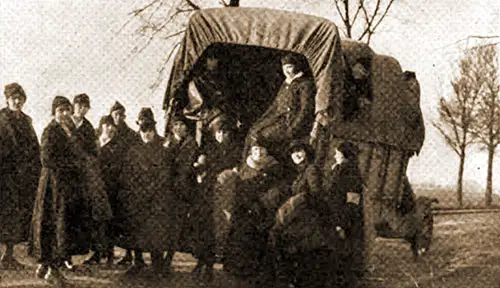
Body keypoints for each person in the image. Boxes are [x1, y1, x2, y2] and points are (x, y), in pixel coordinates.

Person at [270, 140, 364, 288]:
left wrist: (340, 224)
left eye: (300, 151)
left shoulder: (316, 170)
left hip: (314, 216)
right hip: (306, 215)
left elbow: (318, 195)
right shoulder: (306, 171)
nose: (296, 154)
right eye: (293, 152)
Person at [31, 96, 92, 285]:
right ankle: (53, 271)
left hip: (66, 186)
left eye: (67, 110)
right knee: (56, 225)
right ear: (54, 113)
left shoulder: (69, 130)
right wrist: (73, 164)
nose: (65, 114)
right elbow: (47, 159)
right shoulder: (51, 131)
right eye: (60, 111)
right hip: (53, 187)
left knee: (61, 225)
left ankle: (45, 266)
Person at [117, 108, 177, 276]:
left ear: (154, 130)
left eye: (150, 131)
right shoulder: (133, 150)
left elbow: (165, 174)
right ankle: (138, 261)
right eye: (144, 131)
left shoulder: (163, 149)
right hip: (137, 197)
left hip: (157, 198)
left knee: (156, 231)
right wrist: (135, 191)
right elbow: (127, 174)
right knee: (136, 230)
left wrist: (152, 190)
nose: (147, 134)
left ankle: (157, 263)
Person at [224, 137, 284, 278]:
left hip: (262, 209)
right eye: (255, 149)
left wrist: (263, 202)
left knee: (258, 239)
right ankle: (237, 269)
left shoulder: (273, 167)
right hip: (243, 208)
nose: (258, 152)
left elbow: (275, 188)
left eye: (261, 149)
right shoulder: (245, 167)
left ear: (267, 151)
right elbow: (237, 188)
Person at [243, 53, 316, 161]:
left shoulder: (305, 84)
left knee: (262, 136)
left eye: (290, 67)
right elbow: (276, 105)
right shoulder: (286, 83)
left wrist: (292, 129)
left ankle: (264, 165)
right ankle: (245, 165)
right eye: (284, 68)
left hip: (290, 122)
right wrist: (263, 120)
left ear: (297, 67)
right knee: (253, 131)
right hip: (278, 119)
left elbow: (305, 110)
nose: (286, 71)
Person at [0, 83, 41, 270]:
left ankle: (9, 255)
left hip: (22, 177)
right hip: (4, 174)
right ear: (7, 100)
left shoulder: (27, 121)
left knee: (16, 216)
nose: (17, 101)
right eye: (13, 98)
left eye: (20, 99)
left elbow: (34, 147)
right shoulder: (0, 119)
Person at [108, 101, 142, 266]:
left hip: (127, 183)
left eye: (121, 114)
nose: (119, 117)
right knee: (113, 219)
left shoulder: (131, 135)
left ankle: (131, 254)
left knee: (129, 220)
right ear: (111, 115)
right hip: (112, 182)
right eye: (116, 114)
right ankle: (109, 253)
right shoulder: (108, 131)